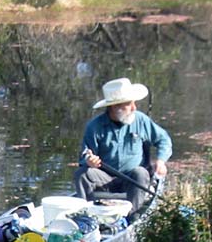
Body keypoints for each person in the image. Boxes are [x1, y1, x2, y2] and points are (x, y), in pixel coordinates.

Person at [74, 77, 172, 214]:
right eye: (129, 104)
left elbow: (164, 140)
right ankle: (87, 216)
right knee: (82, 174)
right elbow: (85, 155)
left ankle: (131, 216)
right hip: (105, 179)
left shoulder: (141, 120)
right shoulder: (94, 126)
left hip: (133, 180)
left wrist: (161, 161)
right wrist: (89, 161)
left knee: (141, 173)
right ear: (115, 107)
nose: (134, 107)